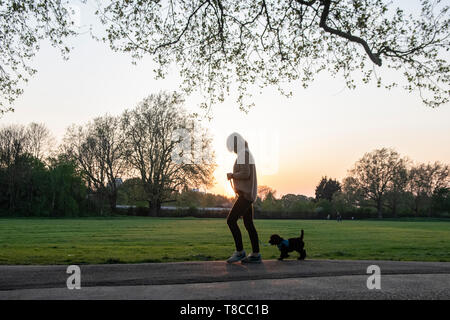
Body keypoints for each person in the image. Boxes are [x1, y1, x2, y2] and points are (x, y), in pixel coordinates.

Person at [225, 132, 261, 264]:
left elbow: (246, 173)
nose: (232, 150)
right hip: (247, 194)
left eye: (232, 147)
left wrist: (232, 175)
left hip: (246, 195)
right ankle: (256, 254)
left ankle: (240, 252)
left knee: (231, 220)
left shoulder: (243, 153)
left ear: (236, 144)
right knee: (248, 224)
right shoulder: (246, 152)